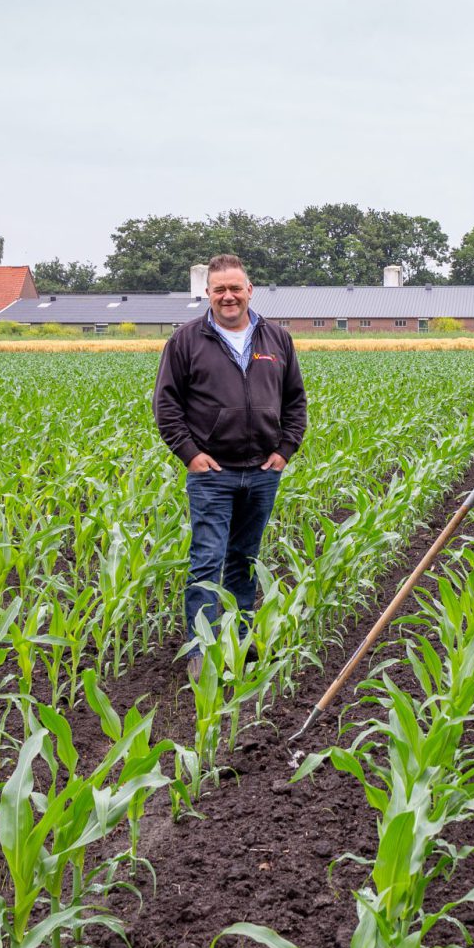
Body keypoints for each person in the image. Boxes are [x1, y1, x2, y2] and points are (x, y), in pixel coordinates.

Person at [153, 254, 307, 681]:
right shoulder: (186, 340)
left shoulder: (276, 339)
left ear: (249, 290)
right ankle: (202, 651)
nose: (227, 296)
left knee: (244, 559)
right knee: (207, 559)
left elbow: (295, 401)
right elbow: (166, 405)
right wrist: (190, 454)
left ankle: (238, 642)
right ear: (208, 293)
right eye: (219, 289)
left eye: (235, 288)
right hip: (212, 474)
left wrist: (285, 449)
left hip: (262, 472)